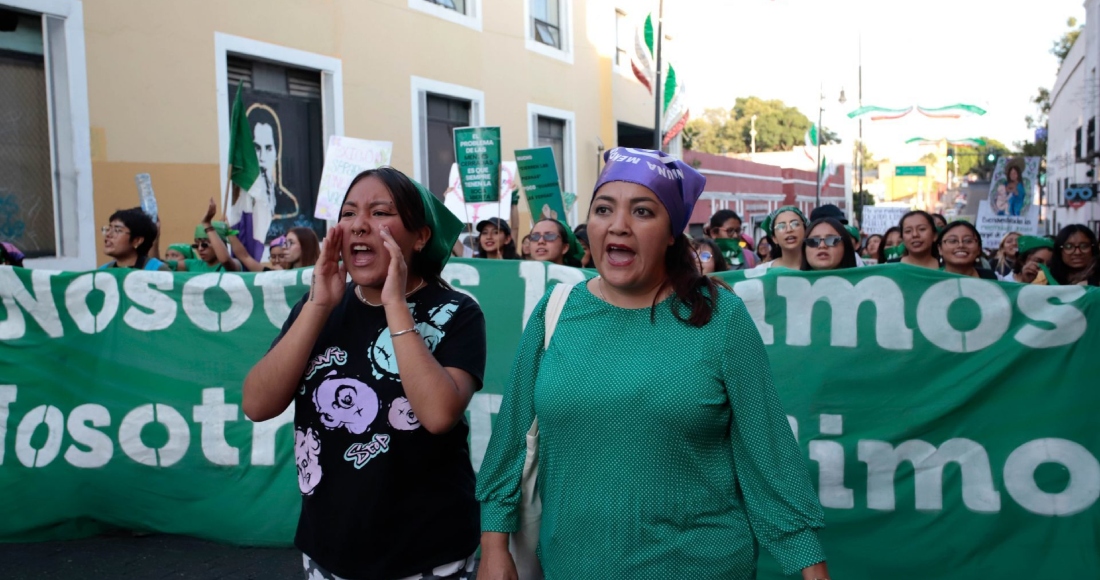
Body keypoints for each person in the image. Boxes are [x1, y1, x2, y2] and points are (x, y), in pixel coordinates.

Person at [476, 147, 828, 580]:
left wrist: (810, 567)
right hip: (572, 566)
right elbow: (511, 437)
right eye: (604, 209)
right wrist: (494, 545)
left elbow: (769, 456)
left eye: (642, 211)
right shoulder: (557, 311)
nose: (618, 225)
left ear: (671, 234)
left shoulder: (720, 318)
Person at [242, 166, 486, 580]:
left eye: (379, 213)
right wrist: (319, 306)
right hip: (329, 552)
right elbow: (257, 403)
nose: (359, 225)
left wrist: (395, 304)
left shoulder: (457, 312)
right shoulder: (317, 306)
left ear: (420, 235)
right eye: (350, 213)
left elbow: (439, 413)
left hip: (427, 554)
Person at [99, 208, 170, 271]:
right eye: (108, 229)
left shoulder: (157, 271)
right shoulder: (103, 271)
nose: (108, 234)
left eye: (117, 230)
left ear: (137, 241)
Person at [1033, 224, 1099, 286]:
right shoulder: (1044, 278)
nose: (1077, 252)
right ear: (1059, 250)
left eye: (1084, 246)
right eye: (1069, 246)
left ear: (1093, 248)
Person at [756, 206, 807, 271]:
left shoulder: (818, 269)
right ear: (774, 238)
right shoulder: (762, 271)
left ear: (805, 231)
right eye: (781, 226)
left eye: (795, 224)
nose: (789, 230)